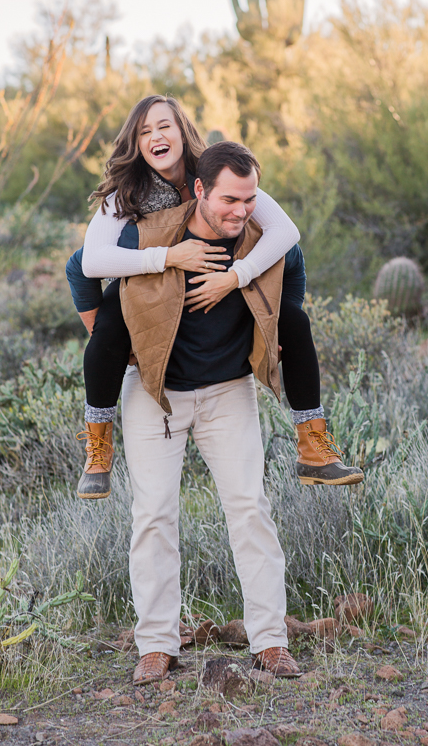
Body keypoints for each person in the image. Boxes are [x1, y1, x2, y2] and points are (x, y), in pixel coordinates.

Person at [64, 95, 362, 498]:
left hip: (220, 310)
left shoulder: (217, 176)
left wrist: (239, 278)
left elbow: (288, 238)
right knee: (112, 322)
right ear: (136, 143)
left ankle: (313, 445)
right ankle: (98, 445)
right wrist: (166, 259)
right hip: (153, 294)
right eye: (145, 131)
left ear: (182, 130)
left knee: (294, 322)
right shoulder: (126, 196)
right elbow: (85, 264)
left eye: (164, 125)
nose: (156, 136)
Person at [120, 141, 301, 683]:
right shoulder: (153, 235)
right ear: (199, 189)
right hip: (156, 395)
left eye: (249, 200)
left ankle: (270, 641)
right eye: (228, 200)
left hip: (229, 393)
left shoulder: (259, 240)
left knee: (250, 507)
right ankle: (155, 644)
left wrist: (255, 295)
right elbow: (87, 270)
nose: (239, 211)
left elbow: (295, 268)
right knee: (153, 514)